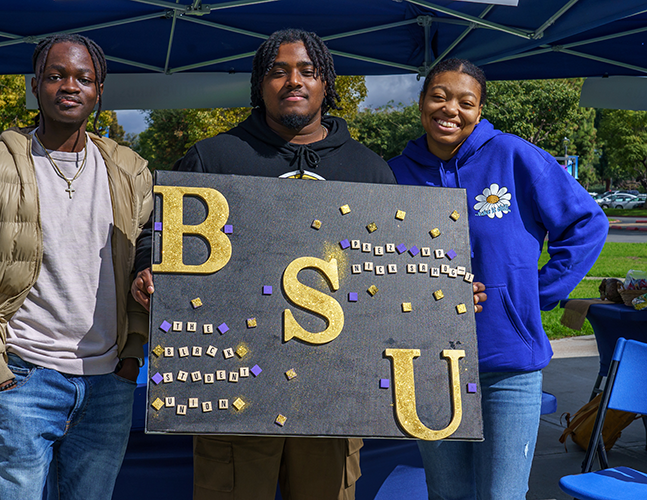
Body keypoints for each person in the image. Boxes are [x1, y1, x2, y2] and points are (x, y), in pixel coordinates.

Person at [131, 29, 486, 500]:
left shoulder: (369, 170)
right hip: (232, 389)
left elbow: (394, 273)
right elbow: (153, 234)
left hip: (333, 396)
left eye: (307, 71)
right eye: (278, 71)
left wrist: (445, 296)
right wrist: (146, 268)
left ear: (326, 83)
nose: (292, 81)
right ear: (260, 82)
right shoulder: (212, 157)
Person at [0, 34, 153, 500]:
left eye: (83, 78)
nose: (70, 86)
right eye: (56, 75)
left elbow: (146, 260)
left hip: (109, 381)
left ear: (99, 90)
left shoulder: (131, 171)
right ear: (35, 86)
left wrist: (132, 356)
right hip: (23, 377)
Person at [387, 58, 608, 500]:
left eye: (465, 102)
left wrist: (538, 292)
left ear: (480, 109)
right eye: (439, 96)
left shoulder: (514, 156)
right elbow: (371, 260)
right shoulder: (395, 173)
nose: (450, 109)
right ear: (421, 103)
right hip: (428, 364)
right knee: (447, 494)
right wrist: (425, 294)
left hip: (508, 365)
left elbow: (587, 223)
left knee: (502, 495)